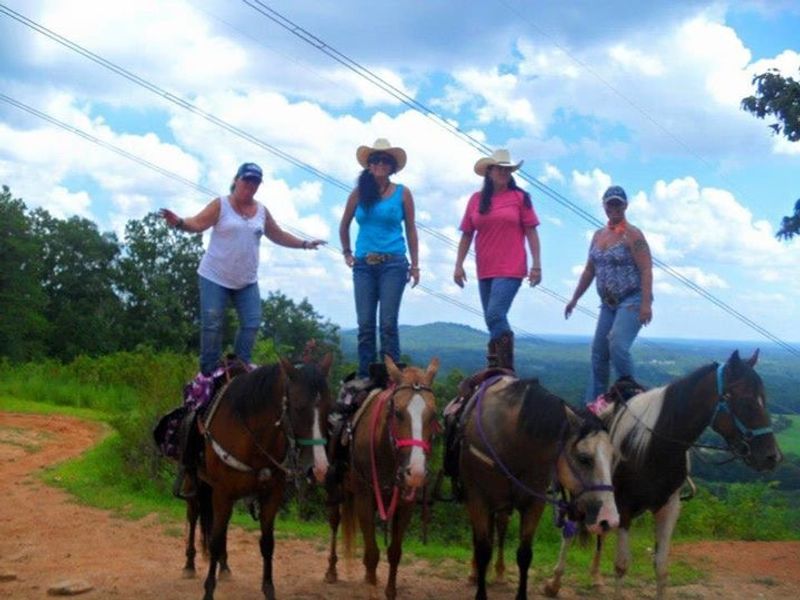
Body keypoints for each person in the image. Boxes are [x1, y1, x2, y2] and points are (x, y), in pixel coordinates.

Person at [160, 161, 325, 376]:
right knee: (212, 324)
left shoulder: (261, 211)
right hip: (215, 276)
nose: (250, 185)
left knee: (252, 322)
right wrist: (180, 222)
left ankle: (239, 366)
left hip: (246, 281)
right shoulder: (221, 205)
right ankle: (208, 373)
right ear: (236, 180)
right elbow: (198, 223)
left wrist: (304, 244)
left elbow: (278, 235)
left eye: (255, 182)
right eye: (247, 179)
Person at [453, 149, 542, 371]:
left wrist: (536, 265)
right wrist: (458, 265)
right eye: (498, 168)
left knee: (495, 313)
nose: (503, 172)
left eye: (507, 169)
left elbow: (531, 231)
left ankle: (502, 368)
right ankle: (498, 367)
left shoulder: (520, 198)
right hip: (485, 269)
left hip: (511, 267)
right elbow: (466, 233)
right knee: (491, 319)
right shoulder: (476, 200)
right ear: (489, 172)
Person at [339, 138, 419, 379]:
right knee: (365, 325)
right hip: (364, 264)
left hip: (393, 262)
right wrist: (347, 252)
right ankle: (366, 377)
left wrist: (415, 265)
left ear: (392, 166)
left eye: (385, 160)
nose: (380, 164)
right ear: (369, 165)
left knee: (387, 323)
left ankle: (391, 377)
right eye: (375, 160)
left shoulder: (403, 193)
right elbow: (343, 226)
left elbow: (411, 230)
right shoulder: (358, 194)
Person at [564, 185, 653, 401]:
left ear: (625, 206)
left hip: (632, 298)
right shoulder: (597, 236)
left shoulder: (633, 235)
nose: (614, 208)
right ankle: (595, 403)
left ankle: (631, 395)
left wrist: (646, 304)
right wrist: (574, 299)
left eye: (618, 204)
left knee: (618, 344)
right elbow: (589, 270)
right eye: (610, 203)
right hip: (608, 303)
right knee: (599, 352)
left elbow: (646, 268)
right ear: (604, 206)